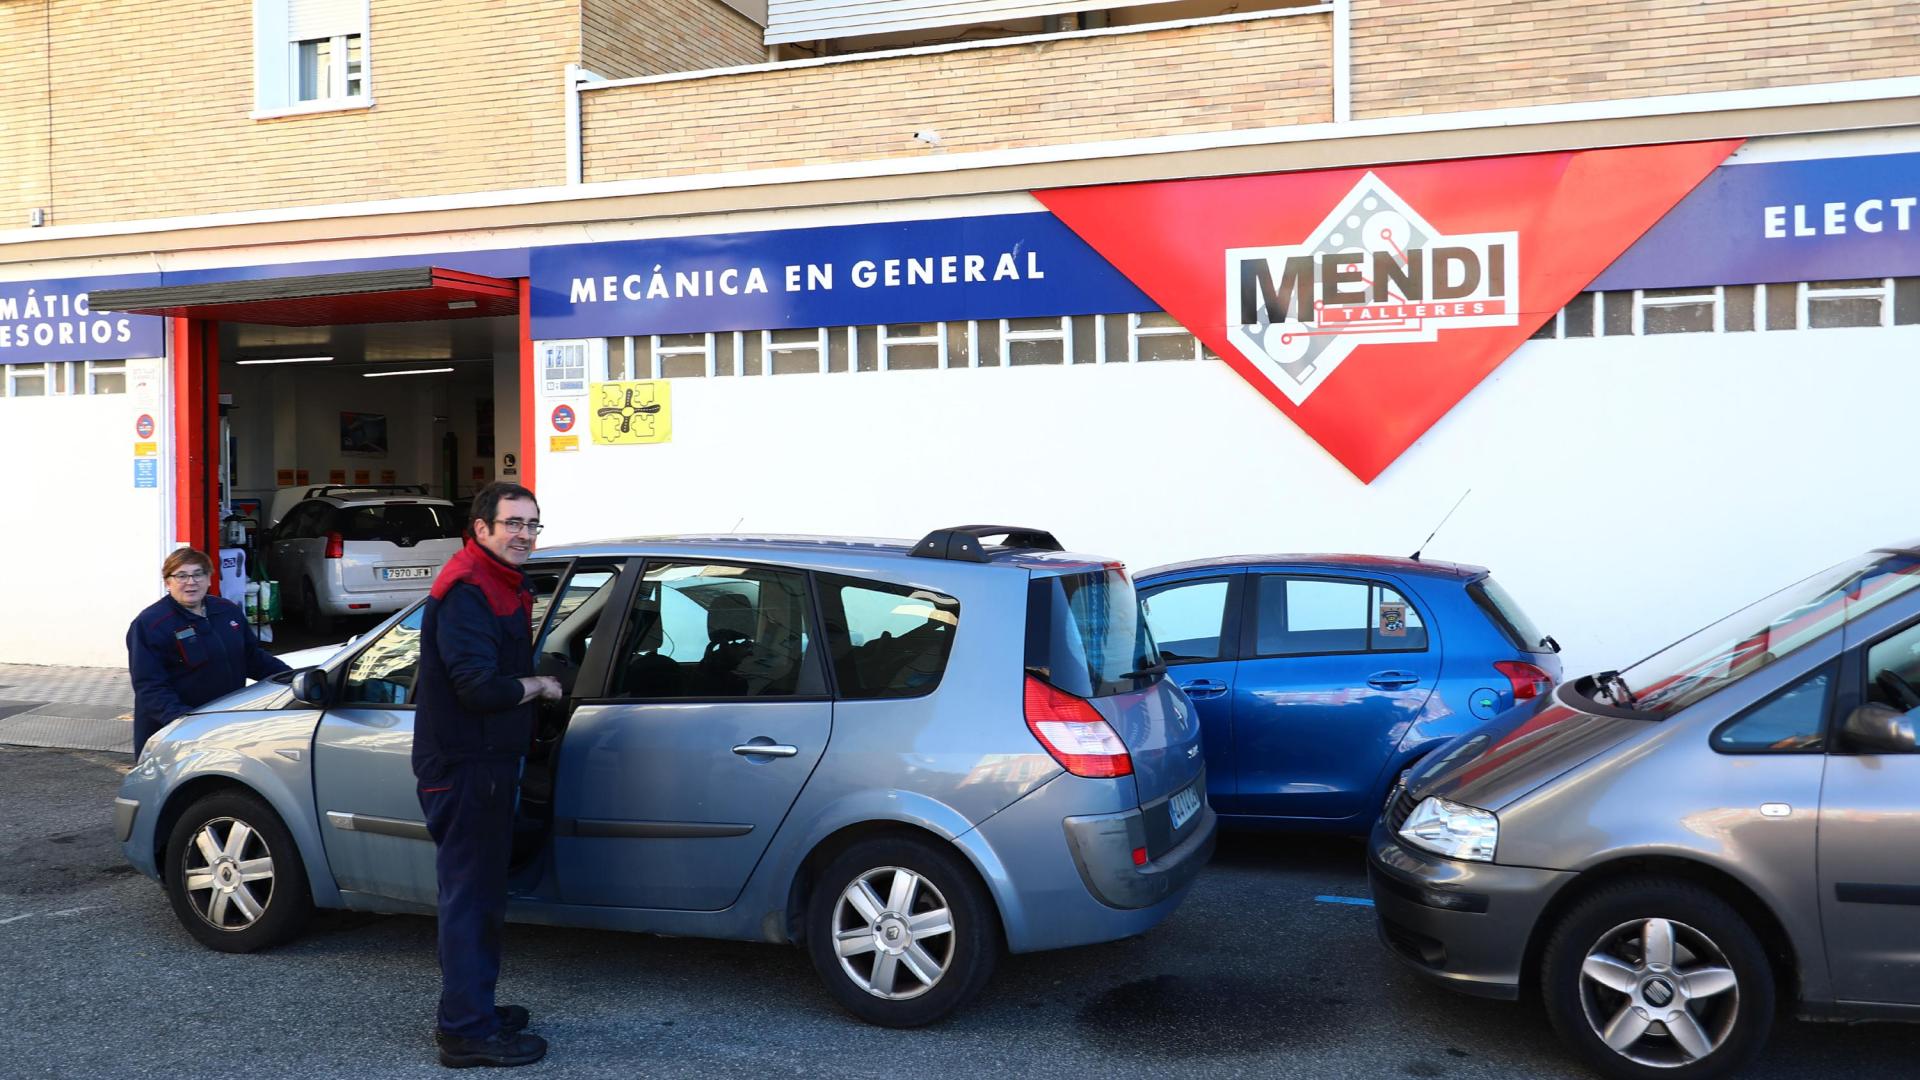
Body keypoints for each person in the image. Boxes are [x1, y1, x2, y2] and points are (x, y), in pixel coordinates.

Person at [412, 482, 562, 1069]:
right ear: (481, 529)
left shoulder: (497, 582)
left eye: (532, 524)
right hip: (466, 768)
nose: (524, 534)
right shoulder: (468, 591)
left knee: (480, 898)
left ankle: (474, 1008)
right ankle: (466, 1032)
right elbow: (476, 687)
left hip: (487, 765)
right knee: (470, 902)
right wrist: (540, 686)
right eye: (513, 524)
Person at [127, 548, 290, 758]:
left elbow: (252, 657)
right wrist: (185, 722)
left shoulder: (226, 610)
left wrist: (292, 678)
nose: (191, 582)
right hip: (177, 732)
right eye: (181, 576)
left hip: (224, 723)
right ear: (168, 582)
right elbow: (150, 687)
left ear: (209, 579)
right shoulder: (150, 624)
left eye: (198, 574)